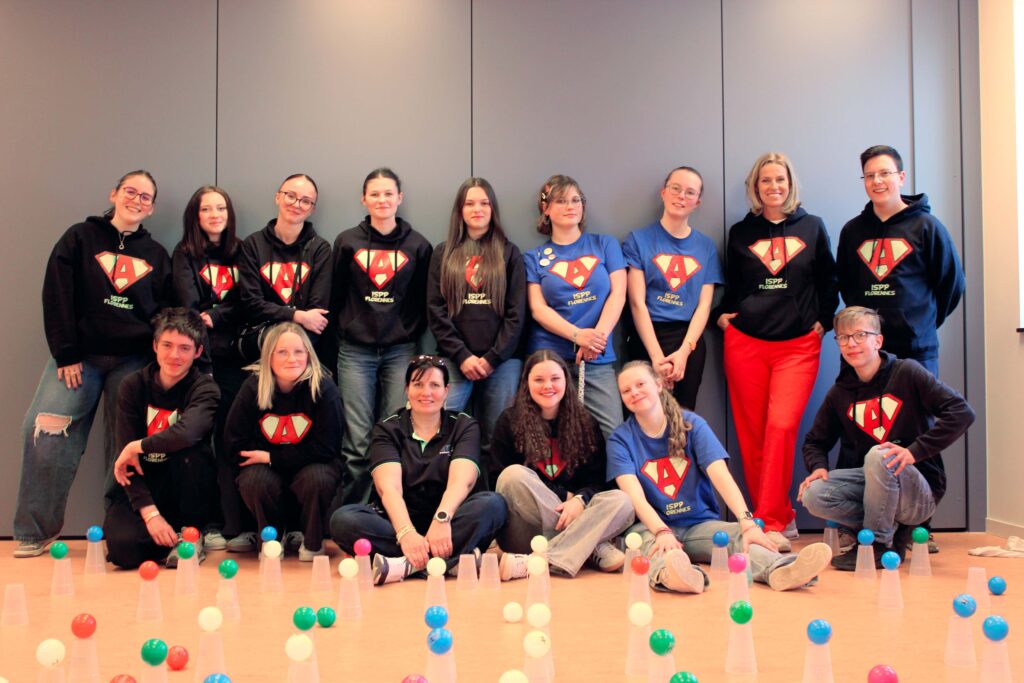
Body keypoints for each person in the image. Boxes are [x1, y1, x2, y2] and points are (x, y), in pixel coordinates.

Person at [13, 170, 172, 558]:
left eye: (145, 197)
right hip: (77, 360)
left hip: (133, 361)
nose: (136, 200)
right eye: (130, 191)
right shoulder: (80, 237)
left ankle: (121, 531)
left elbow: (163, 309)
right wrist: (65, 351)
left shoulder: (156, 254)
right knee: (45, 433)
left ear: (152, 209)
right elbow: (56, 294)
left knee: (127, 445)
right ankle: (35, 531)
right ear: (114, 193)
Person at [607, 361, 833, 593]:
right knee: (652, 546)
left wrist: (747, 523)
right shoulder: (620, 440)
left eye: (640, 384)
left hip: (699, 525)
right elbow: (635, 496)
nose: (634, 392)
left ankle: (782, 570)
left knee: (740, 536)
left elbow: (721, 476)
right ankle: (675, 576)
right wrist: (662, 532)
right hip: (652, 527)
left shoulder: (692, 425)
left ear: (658, 385)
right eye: (626, 390)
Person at [715, 152, 838, 551]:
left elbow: (829, 280)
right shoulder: (740, 232)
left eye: (780, 180)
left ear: (790, 184)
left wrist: (824, 320)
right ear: (755, 187)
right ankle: (778, 518)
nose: (774, 187)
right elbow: (733, 284)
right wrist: (723, 317)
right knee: (752, 437)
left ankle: (768, 521)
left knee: (781, 428)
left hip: (798, 345)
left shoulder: (812, 227)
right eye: (765, 180)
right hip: (746, 343)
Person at [798, 306, 975, 570]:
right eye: (843, 338)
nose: (851, 344)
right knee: (814, 494)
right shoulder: (840, 392)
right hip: (875, 486)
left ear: (878, 341)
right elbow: (815, 441)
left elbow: (961, 412)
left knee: (880, 455)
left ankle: (878, 545)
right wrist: (817, 467)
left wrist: (914, 451)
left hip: (918, 492)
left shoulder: (907, 372)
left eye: (860, 335)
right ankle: (893, 531)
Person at [329, 355, 508, 585]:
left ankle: (404, 565)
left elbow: (462, 482)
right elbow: (389, 489)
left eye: (435, 385)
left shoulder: (464, 425)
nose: (426, 392)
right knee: (343, 520)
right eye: (418, 384)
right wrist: (406, 534)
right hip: (398, 523)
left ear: (446, 390)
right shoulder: (387, 428)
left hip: (450, 520)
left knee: (493, 504)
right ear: (407, 389)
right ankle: (449, 561)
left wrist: (441, 520)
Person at [331, 168, 432, 505]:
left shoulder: (418, 245)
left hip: (400, 351)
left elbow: (424, 300)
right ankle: (355, 514)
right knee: (357, 441)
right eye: (374, 194)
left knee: (395, 434)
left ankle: (391, 511)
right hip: (354, 352)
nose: (382, 200)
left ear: (399, 198)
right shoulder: (347, 242)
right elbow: (335, 295)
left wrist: (407, 332)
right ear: (364, 199)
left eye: (388, 193)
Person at [490, 350, 634, 579]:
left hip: (567, 519)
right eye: (539, 379)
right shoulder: (509, 421)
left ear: (566, 381)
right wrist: (565, 497)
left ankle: (541, 560)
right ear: (526, 383)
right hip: (525, 530)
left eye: (555, 378)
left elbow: (597, 482)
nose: (548, 385)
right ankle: (589, 544)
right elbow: (499, 482)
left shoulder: (585, 423)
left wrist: (580, 500)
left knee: (623, 500)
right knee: (512, 475)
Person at [836, 145, 965, 379]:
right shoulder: (852, 230)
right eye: (869, 175)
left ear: (901, 177)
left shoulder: (927, 227)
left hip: (916, 350)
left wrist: (920, 324)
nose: (877, 181)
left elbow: (952, 285)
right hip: (865, 350)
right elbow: (846, 284)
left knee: (916, 405)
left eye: (885, 173)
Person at [104, 308, 219, 569]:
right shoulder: (132, 385)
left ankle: (191, 534)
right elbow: (127, 461)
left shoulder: (205, 388)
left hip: (184, 484)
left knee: (193, 452)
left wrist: (138, 446)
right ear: (155, 346)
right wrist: (150, 515)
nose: (174, 355)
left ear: (198, 352)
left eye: (184, 348)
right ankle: (167, 538)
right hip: (145, 485)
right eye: (167, 345)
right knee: (122, 550)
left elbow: (188, 432)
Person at [172, 185, 253, 553]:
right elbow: (188, 306)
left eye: (221, 208)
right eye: (206, 209)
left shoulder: (242, 251)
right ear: (196, 215)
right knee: (199, 441)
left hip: (237, 361)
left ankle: (235, 524)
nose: (215, 215)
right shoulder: (184, 253)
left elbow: (246, 302)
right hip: (200, 362)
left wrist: (216, 315)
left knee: (231, 440)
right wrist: (207, 318)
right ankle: (203, 524)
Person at [223, 322, 343, 561]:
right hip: (267, 470)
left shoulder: (324, 388)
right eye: (282, 352)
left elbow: (327, 448)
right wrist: (267, 461)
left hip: (309, 466)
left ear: (308, 355)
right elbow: (234, 442)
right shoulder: (253, 387)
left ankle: (311, 541)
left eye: (299, 351)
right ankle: (271, 540)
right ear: (269, 357)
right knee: (254, 480)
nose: (292, 359)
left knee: (318, 478)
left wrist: (272, 457)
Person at [524, 174, 626, 438]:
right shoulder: (533, 258)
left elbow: (618, 295)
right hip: (549, 360)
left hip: (596, 358)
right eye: (561, 201)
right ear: (546, 209)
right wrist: (577, 335)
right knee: (543, 437)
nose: (570, 206)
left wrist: (595, 340)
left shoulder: (605, 244)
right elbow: (538, 309)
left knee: (613, 434)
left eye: (575, 200)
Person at [427, 177, 526, 447]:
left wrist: (493, 358)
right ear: (460, 210)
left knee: (498, 437)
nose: (477, 209)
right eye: (469, 203)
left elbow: (517, 313)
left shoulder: (509, 253)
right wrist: (462, 356)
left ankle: (493, 479)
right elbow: (436, 310)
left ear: (493, 209)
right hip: (454, 359)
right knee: (441, 433)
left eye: (484, 203)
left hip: (502, 361)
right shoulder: (443, 253)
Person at [624, 166, 723, 410]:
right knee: (645, 414)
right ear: (663, 192)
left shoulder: (706, 247)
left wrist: (684, 353)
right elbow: (637, 302)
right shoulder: (638, 240)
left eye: (690, 192)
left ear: (697, 202)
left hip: (687, 340)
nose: (681, 196)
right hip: (647, 336)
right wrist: (656, 358)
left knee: (683, 416)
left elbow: (704, 306)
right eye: (675, 188)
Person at [236, 173, 332, 360]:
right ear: (278, 197)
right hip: (260, 348)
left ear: (312, 209)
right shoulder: (253, 245)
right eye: (291, 196)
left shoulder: (320, 249)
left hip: (302, 351)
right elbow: (251, 304)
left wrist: (291, 322)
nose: (296, 204)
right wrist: (298, 316)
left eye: (306, 201)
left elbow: (317, 312)